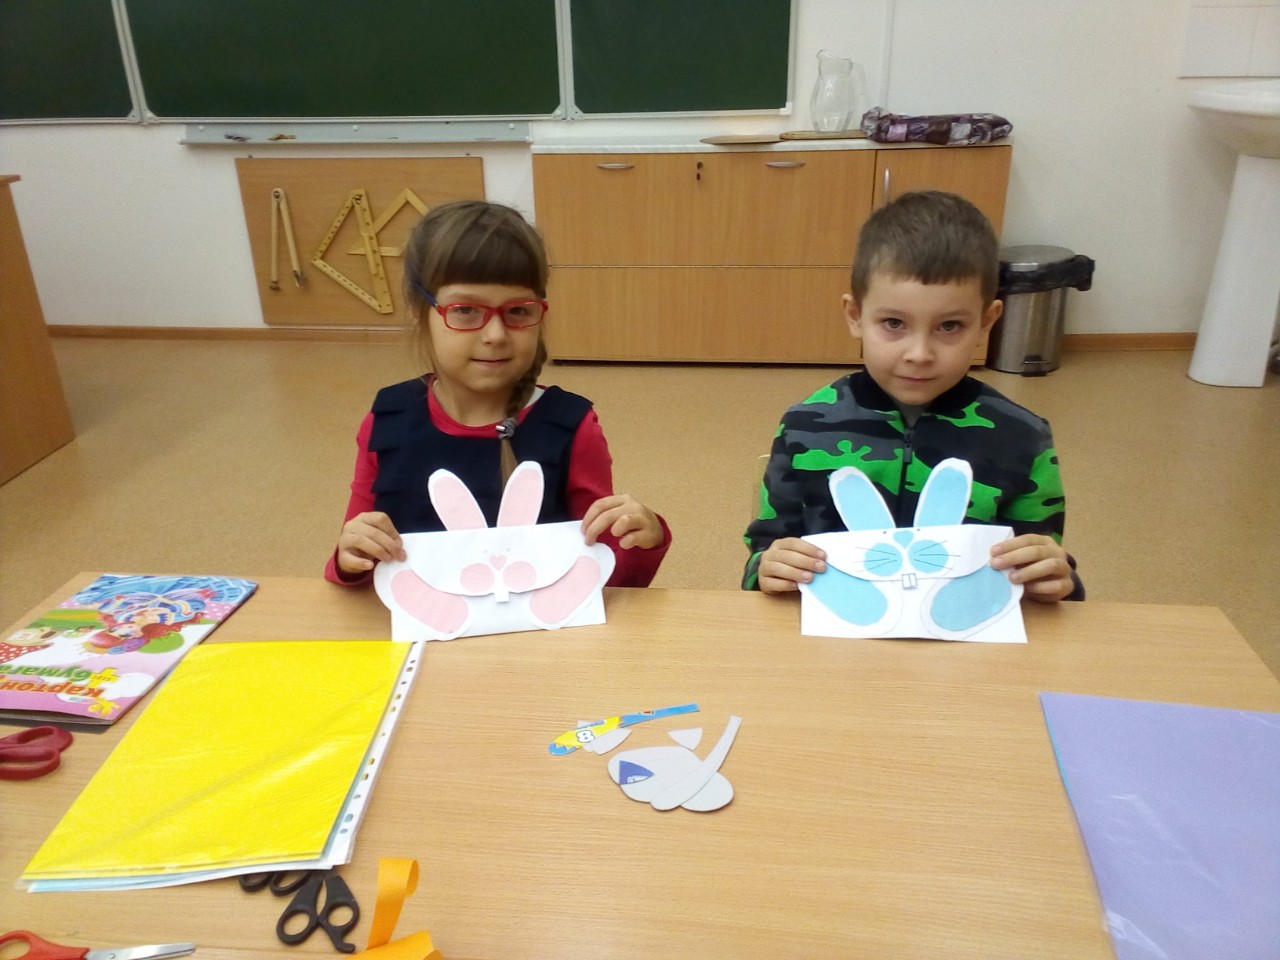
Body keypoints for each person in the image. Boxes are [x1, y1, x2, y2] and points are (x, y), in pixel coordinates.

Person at [743, 190, 1082, 601]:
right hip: (836, 630)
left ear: (986, 322)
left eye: (950, 326)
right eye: (893, 323)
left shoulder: (1023, 437)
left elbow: (1042, 565)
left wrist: (1057, 578)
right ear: (855, 316)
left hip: (964, 634)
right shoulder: (803, 427)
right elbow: (765, 551)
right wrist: (767, 567)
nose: (919, 354)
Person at [326, 200, 670, 587]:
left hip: (538, 625)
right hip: (418, 622)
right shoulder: (387, 421)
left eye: (518, 311)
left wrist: (643, 541)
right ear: (418, 309)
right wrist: (348, 559)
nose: (495, 334)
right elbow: (353, 568)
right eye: (465, 310)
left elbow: (603, 582)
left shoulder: (572, 428)